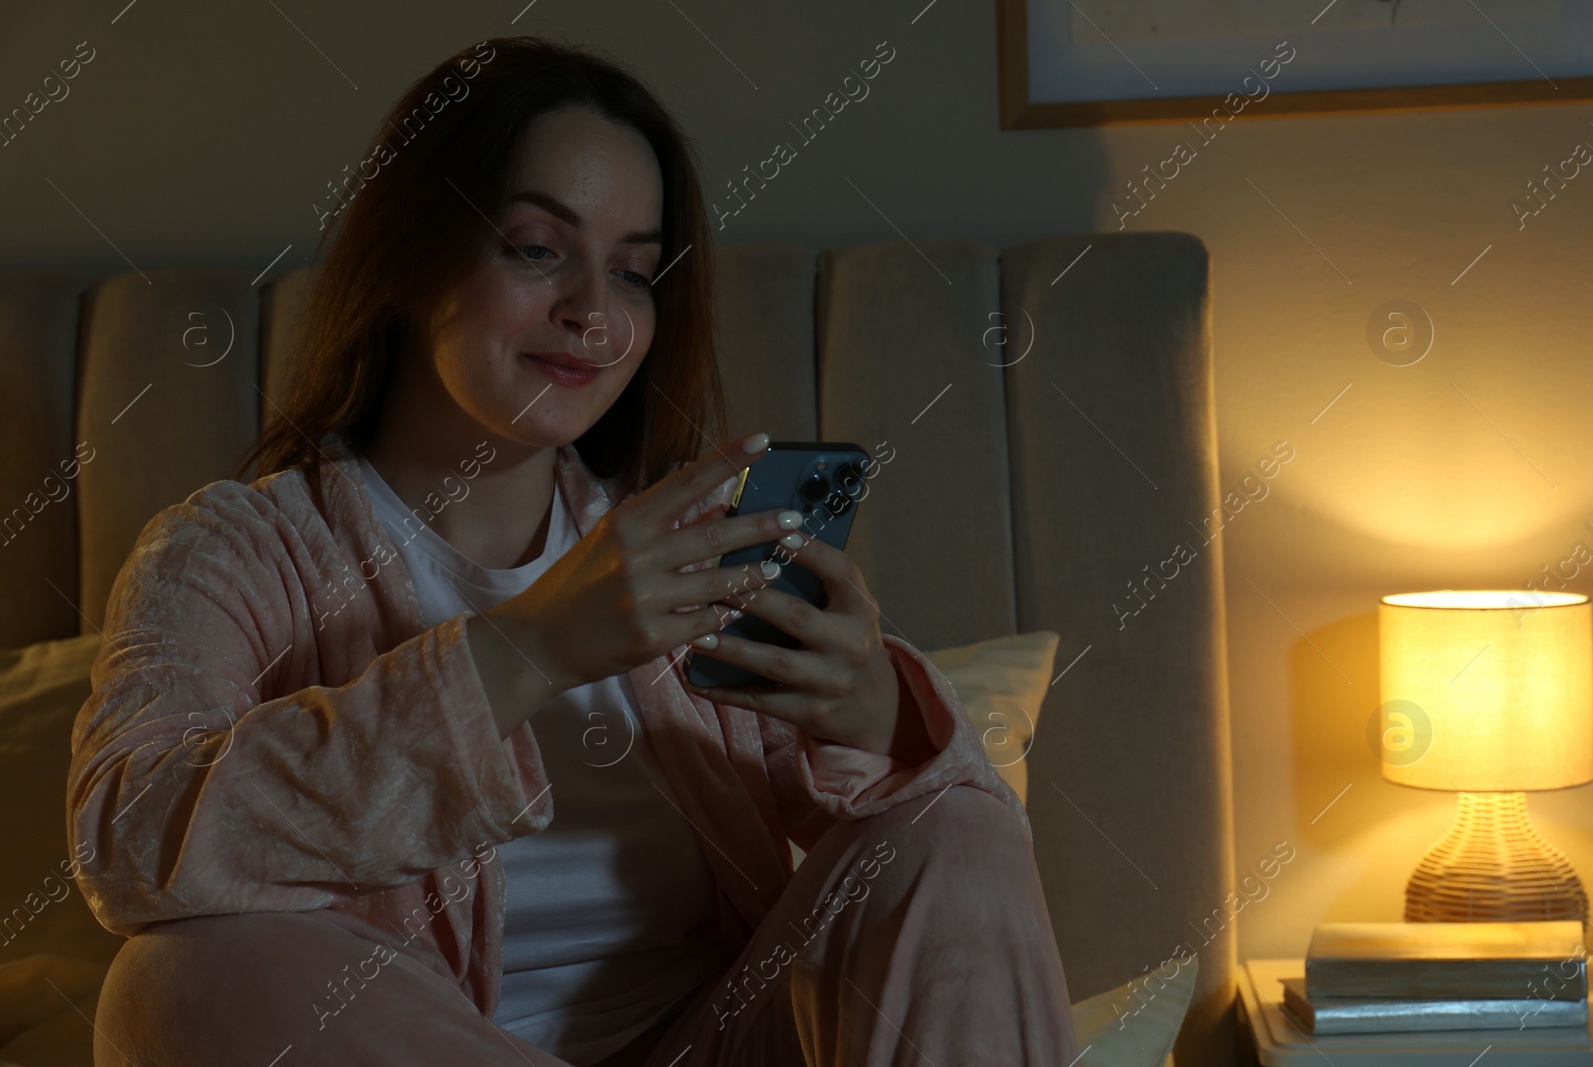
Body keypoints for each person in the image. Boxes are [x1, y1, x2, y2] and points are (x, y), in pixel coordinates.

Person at [68, 35, 1079, 1067]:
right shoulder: (231, 553)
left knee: (961, 830)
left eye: (634, 271)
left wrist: (869, 710)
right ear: (413, 260)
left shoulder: (690, 542)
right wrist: (525, 651)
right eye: (535, 248)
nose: (593, 313)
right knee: (175, 980)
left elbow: (924, 883)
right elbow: (129, 837)